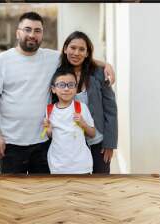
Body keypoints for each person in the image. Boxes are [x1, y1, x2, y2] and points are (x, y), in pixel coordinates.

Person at [0, 12, 115, 174]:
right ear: (18, 32)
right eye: (27, 29)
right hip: (11, 143)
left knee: (45, 193)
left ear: (42, 34)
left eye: (37, 31)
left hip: (43, 142)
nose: (32, 35)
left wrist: (105, 64)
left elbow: (77, 56)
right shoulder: (1, 61)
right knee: (13, 192)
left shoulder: (51, 58)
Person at [57, 31, 118, 174]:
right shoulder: (58, 74)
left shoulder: (98, 73)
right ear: (65, 49)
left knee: (99, 185)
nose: (76, 53)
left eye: (82, 49)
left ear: (87, 53)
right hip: (71, 144)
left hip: (98, 142)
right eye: (73, 48)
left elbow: (111, 109)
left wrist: (110, 143)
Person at [44, 68, 95, 174]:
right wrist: (48, 130)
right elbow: (51, 136)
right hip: (58, 165)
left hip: (81, 166)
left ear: (76, 88)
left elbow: (92, 133)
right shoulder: (49, 110)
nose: (66, 89)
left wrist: (83, 124)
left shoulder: (81, 107)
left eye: (71, 85)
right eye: (61, 85)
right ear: (53, 89)